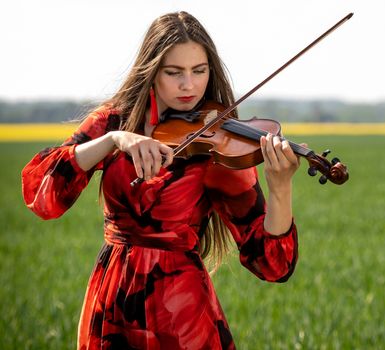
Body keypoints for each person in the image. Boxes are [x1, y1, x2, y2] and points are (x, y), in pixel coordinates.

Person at [21, 11, 300, 349]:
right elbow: (42, 194)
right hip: (111, 301)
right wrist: (114, 140)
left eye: (199, 71)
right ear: (151, 71)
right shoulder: (113, 122)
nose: (189, 85)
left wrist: (280, 187)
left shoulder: (218, 146)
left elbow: (273, 264)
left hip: (180, 309)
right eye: (174, 72)